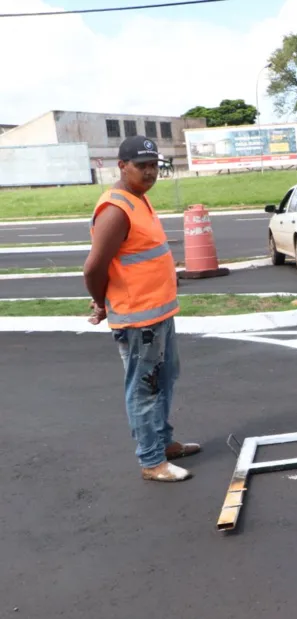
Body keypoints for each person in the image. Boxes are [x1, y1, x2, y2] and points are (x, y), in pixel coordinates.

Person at [83, 135, 200, 482]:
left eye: (154, 166)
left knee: (166, 379)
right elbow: (93, 268)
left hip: (159, 312)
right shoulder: (116, 209)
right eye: (142, 166)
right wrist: (103, 302)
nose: (150, 173)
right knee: (145, 388)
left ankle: (163, 443)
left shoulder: (138, 200)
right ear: (122, 166)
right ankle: (151, 461)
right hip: (138, 319)